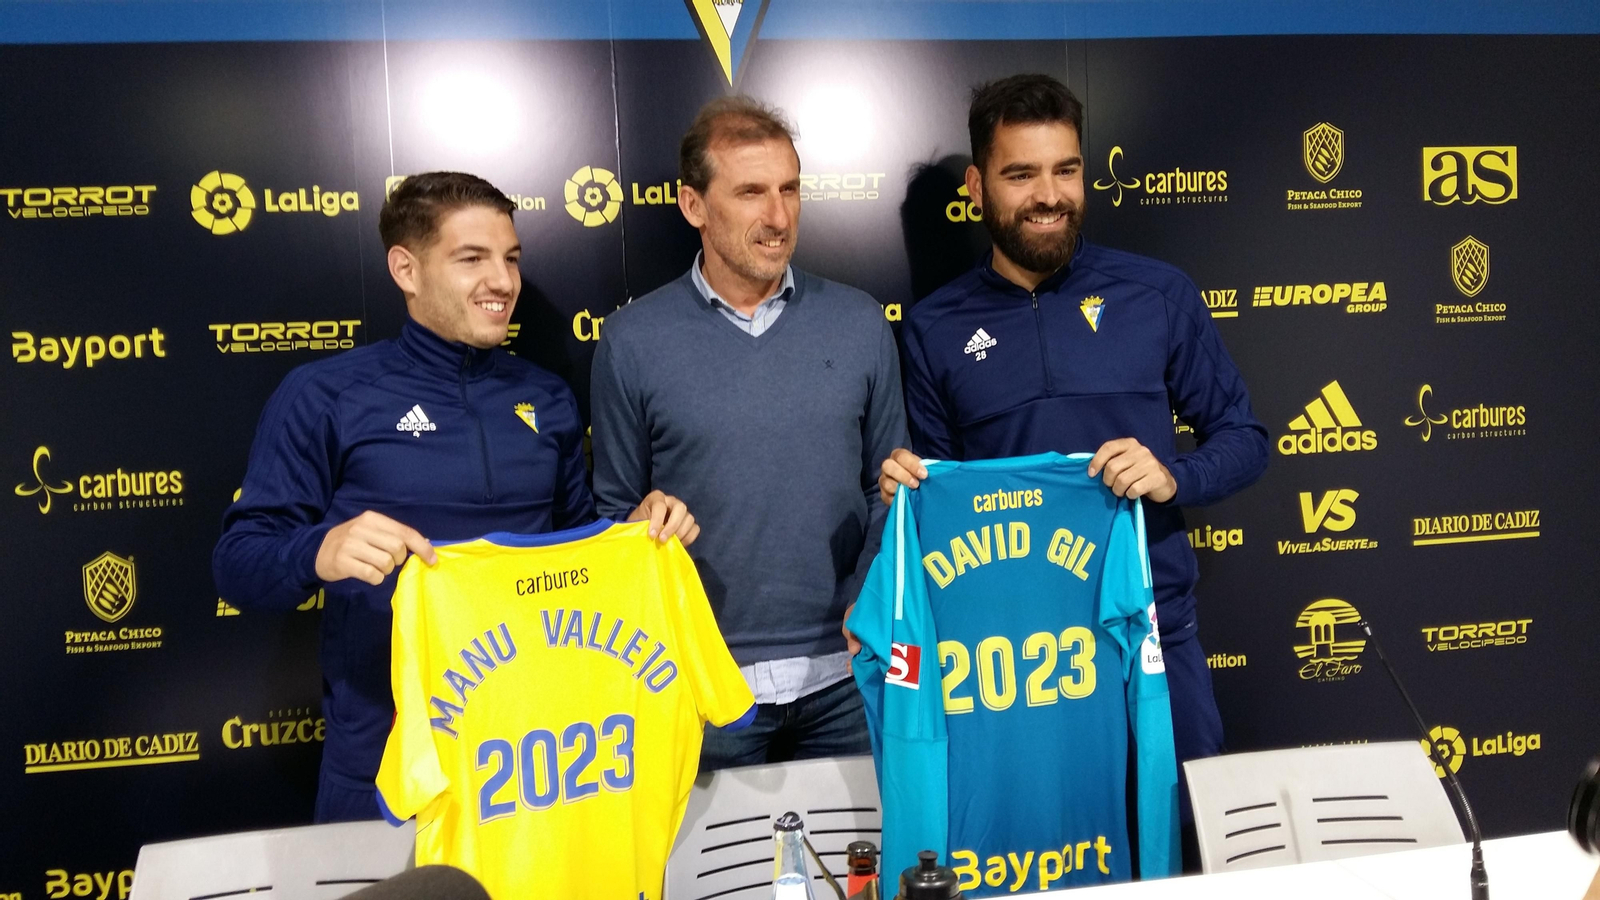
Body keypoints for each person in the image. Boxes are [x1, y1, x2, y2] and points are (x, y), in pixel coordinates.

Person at [213, 172, 695, 822]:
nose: (502, 281)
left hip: (538, 759)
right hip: (385, 767)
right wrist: (319, 550)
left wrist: (633, 537)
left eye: (511, 258)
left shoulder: (547, 395)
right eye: (472, 259)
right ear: (406, 270)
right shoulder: (324, 395)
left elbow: (577, 550)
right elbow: (238, 565)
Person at [871, 74, 1268, 863]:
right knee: (1041, 853)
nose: (1049, 196)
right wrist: (901, 495)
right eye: (1022, 175)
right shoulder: (932, 328)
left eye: (1067, 170)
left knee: (1183, 839)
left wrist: (1173, 476)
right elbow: (934, 494)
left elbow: (1245, 437)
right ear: (979, 187)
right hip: (1016, 659)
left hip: (1152, 629)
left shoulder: (1157, 294)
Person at [590, 97, 907, 770]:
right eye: (751, 192)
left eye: (790, 189)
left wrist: (867, 601)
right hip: (702, 686)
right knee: (716, 878)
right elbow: (612, 513)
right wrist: (641, 521)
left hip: (848, 679)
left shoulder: (859, 323)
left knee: (859, 877)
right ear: (693, 205)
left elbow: (890, 492)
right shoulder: (631, 340)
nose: (779, 217)